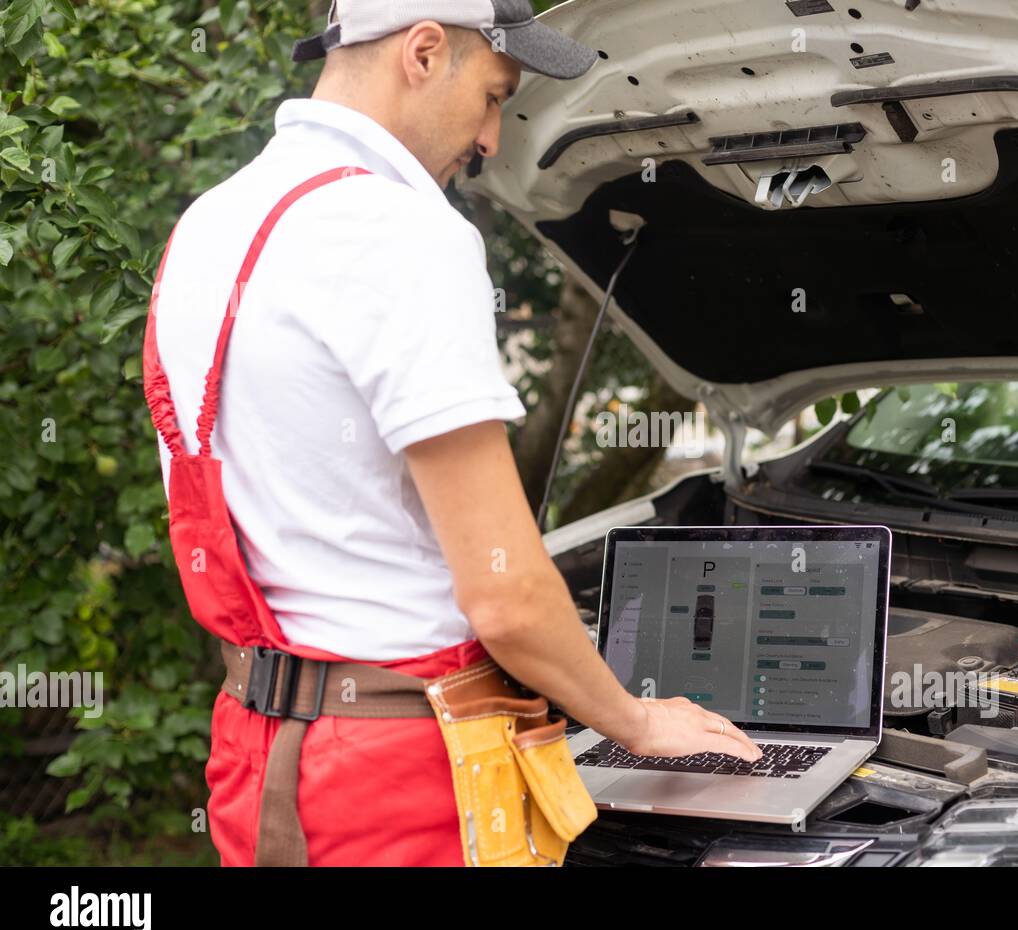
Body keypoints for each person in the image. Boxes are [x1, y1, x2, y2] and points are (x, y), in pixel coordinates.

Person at [144, 0, 760, 866]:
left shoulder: (210, 223)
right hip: (400, 778)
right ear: (424, 53)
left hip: (261, 753)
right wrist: (634, 718)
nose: (492, 140)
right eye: (495, 95)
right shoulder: (400, 232)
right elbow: (505, 594)